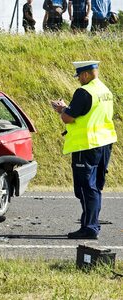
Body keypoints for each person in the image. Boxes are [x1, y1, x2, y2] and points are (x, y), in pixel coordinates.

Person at [51, 61, 117, 239]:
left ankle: (89, 228)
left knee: (85, 188)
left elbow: (68, 118)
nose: (79, 79)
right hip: (104, 143)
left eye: (79, 76)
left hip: (86, 145)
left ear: (86, 74)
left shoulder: (84, 91)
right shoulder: (105, 90)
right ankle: (89, 223)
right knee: (95, 187)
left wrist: (61, 109)